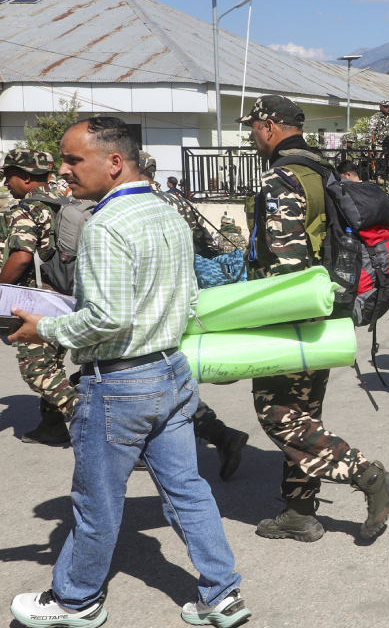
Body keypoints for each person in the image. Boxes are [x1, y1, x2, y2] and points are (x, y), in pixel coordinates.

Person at [6, 116, 249, 628]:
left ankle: (76, 601)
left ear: (114, 162)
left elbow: (109, 318)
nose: (63, 170)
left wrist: (45, 329)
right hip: (172, 373)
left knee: (96, 501)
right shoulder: (166, 212)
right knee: (187, 488)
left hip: (120, 383)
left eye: (73, 159)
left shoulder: (106, 224)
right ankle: (222, 595)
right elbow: (174, 298)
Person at [240, 95, 389, 542]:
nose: (251, 136)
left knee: (278, 413)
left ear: (270, 126)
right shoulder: (324, 170)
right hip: (326, 312)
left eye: (253, 127)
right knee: (303, 414)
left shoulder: (282, 178)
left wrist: (264, 323)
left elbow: (286, 265)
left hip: (294, 314)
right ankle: (298, 513)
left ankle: (374, 480)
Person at [138, 151, 250, 481]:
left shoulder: (132, 204)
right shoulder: (178, 200)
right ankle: (214, 434)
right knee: (165, 368)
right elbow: (205, 243)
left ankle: (211, 434)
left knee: (152, 371)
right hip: (183, 292)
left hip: (148, 298)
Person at [0, 149, 79, 446]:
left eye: (9, 176)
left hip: (39, 301)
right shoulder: (69, 202)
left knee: (38, 370)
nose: (7, 183)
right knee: (54, 365)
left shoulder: (28, 207)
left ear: (24, 176)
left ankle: (107, 432)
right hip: (71, 296)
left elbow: (21, 257)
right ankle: (51, 427)